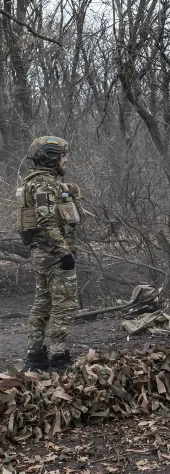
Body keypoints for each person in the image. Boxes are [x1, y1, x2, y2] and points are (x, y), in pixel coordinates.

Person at [16, 136, 81, 372]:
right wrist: (64, 252)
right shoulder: (44, 184)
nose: (66, 161)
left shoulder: (40, 182)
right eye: (63, 157)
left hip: (42, 252)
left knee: (42, 302)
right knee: (63, 305)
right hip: (53, 253)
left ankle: (36, 356)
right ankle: (58, 358)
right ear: (52, 158)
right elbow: (45, 220)